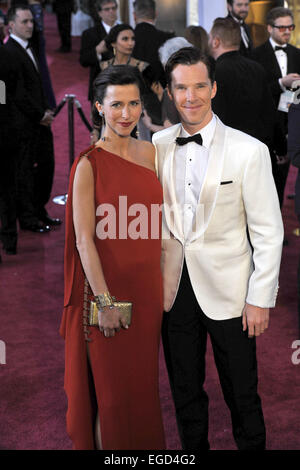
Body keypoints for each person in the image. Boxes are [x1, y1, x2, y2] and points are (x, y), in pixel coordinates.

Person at [153, 47, 283, 451]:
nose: (190, 97)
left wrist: (260, 299)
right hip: (174, 292)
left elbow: (268, 232)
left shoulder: (250, 150)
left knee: (242, 394)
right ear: (170, 93)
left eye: (198, 86)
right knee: (185, 393)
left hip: (233, 294)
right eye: (181, 88)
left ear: (213, 87)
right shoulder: (156, 144)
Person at [60, 65, 166, 450]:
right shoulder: (88, 164)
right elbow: (84, 241)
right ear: (98, 107)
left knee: (142, 390)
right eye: (117, 104)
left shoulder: (150, 152)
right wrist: (105, 303)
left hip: (148, 290)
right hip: (108, 294)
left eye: (134, 103)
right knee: (113, 399)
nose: (127, 113)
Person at [4, 4, 61, 233]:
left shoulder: (33, 47)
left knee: (45, 168)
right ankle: (27, 218)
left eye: (31, 21)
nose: (30, 26)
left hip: (40, 121)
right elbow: (16, 93)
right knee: (25, 172)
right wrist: (40, 114)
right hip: (24, 125)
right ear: (11, 26)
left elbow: (38, 84)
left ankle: (39, 210)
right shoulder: (8, 53)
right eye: (24, 22)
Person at [251, 7, 300, 209]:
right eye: (282, 28)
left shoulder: (297, 54)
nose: (287, 31)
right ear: (270, 28)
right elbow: (256, 92)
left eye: (290, 27)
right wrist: (281, 82)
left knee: (285, 179)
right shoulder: (256, 55)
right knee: (264, 182)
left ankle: (279, 227)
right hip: (267, 124)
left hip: (293, 122)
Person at [209, 17, 276, 150]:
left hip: (226, 149)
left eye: (210, 38)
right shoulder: (257, 68)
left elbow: (213, 115)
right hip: (257, 146)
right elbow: (269, 112)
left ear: (216, 42)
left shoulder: (213, 72)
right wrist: (279, 148)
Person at [79, 0, 119, 102]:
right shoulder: (89, 34)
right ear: (99, 13)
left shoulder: (125, 31)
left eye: (114, 8)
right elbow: (83, 60)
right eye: (107, 9)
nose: (111, 11)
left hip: (123, 87)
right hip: (100, 89)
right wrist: (97, 51)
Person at [132, 0, 174, 75]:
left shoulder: (124, 40)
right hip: (162, 85)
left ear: (134, 16)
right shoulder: (168, 38)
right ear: (156, 14)